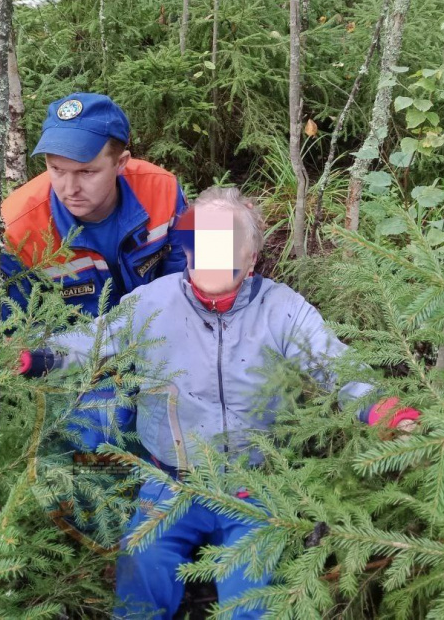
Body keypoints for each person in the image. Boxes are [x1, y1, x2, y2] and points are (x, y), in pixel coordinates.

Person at [24, 187, 420, 619]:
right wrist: (23, 356)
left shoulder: (281, 309)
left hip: (257, 484)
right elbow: (90, 343)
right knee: (141, 573)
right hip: (170, 481)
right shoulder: (152, 303)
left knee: (251, 598)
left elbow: (334, 363)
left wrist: (387, 411)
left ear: (250, 259)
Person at [2, 92, 189, 450]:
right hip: (74, 359)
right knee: (101, 435)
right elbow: (16, 326)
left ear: (121, 163)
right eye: (56, 170)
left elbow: (185, 281)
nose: (69, 188)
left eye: (87, 171)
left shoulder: (160, 190)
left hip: (159, 337)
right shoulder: (19, 225)